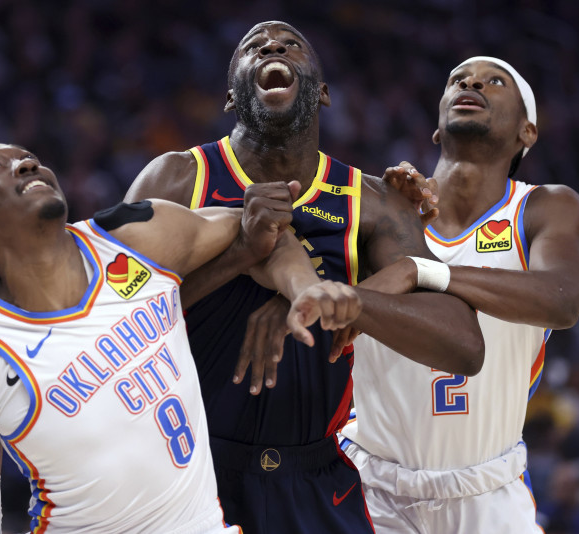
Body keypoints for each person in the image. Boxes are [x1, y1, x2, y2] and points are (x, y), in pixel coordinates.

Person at [124, 21, 485, 534]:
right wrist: (240, 257)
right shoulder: (179, 177)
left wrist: (341, 300)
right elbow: (111, 325)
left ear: (322, 92)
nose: (273, 47)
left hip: (315, 479)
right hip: (189, 472)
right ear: (232, 97)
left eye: (291, 45)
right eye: (255, 47)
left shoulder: (374, 201)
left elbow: (464, 345)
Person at [0, 143, 363, 533]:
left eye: (28, 158)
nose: (24, 164)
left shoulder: (137, 238)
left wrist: (305, 288)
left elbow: (263, 231)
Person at [340, 56, 579, 533]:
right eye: (458, 79)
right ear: (437, 127)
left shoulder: (543, 207)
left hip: (487, 492)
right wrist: (394, 225)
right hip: (368, 483)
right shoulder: (380, 206)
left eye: (494, 81)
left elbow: (563, 299)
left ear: (528, 131)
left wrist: (423, 271)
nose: (472, 82)